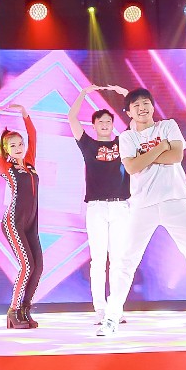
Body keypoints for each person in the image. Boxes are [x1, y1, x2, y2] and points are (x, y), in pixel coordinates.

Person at [98, 88, 186, 336]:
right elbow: (132, 167)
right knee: (125, 262)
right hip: (142, 205)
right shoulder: (127, 137)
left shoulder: (168, 126)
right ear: (128, 112)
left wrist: (146, 156)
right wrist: (159, 148)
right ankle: (111, 318)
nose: (142, 108)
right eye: (136, 105)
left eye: (146, 103)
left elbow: (175, 156)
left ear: (152, 106)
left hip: (175, 202)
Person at [68, 84, 131, 324]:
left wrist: (124, 93)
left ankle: (116, 309)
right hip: (96, 207)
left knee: (118, 260)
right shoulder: (88, 144)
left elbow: (135, 119)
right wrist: (84, 93)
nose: (105, 124)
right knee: (98, 261)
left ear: (113, 124)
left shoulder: (123, 142)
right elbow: (72, 118)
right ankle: (101, 310)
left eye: (108, 121)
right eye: (100, 121)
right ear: (93, 125)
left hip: (120, 206)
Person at [0, 103, 43, 329]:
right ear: (6, 150)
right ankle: (13, 311)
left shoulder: (30, 163)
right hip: (13, 223)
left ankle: (25, 310)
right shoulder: (5, 167)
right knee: (27, 266)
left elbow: (33, 134)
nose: (18, 148)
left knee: (38, 267)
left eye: (20, 144)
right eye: (13, 145)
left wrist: (24, 112)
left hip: (31, 224)